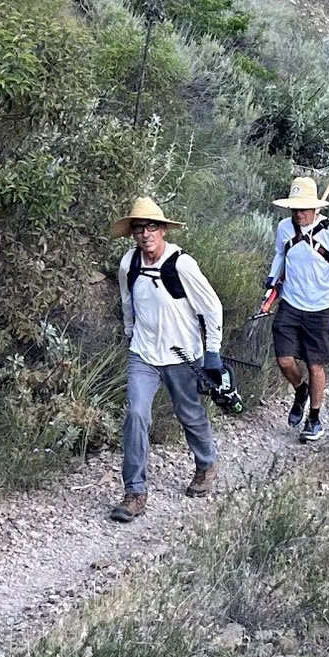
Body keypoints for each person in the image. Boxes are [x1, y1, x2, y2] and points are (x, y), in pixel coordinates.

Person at [110, 196, 225, 524]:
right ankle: (135, 492)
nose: (145, 234)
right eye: (138, 228)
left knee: (189, 414)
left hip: (182, 355)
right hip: (143, 354)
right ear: (132, 234)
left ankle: (206, 465)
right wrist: (130, 333)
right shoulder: (128, 264)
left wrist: (212, 353)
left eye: (151, 227)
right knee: (135, 414)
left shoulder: (181, 264)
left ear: (162, 229)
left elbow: (211, 307)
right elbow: (127, 301)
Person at [264, 175, 329, 444]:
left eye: (303, 209)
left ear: (316, 209)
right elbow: (280, 254)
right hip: (291, 303)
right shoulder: (284, 228)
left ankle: (313, 419)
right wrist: (271, 279)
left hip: (322, 308)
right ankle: (299, 391)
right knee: (285, 361)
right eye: (294, 209)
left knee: (315, 365)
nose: (298, 214)